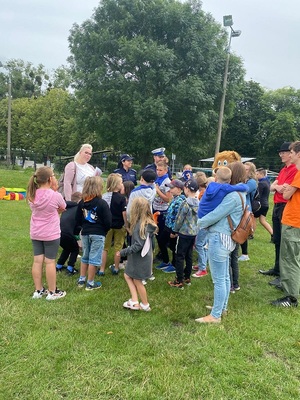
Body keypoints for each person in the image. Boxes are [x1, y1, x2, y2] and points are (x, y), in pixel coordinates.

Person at [196, 162, 246, 323]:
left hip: (220, 238)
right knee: (224, 277)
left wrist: (199, 222)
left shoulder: (232, 196)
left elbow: (216, 214)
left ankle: (215, 316)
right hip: (227, 238)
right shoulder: (240, 193)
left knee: (219, 279)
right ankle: (221, 307)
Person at [259, 142, 297, 285]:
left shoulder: (294, 169)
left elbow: (284, 190)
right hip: (277, 205)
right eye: (280, 152)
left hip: (285, 206)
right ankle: (277, 268)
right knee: (277, 238)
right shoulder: (283, 170)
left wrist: (277, 186)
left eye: (284, 152)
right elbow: (273, 187)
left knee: (284, 241)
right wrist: (276, 186)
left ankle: (283, 274)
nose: (281, 155)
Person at [28, 166, 67, 300]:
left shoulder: (32, 195)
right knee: (50, 262)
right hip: (51, 233)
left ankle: (38, 290)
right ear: (50, 179)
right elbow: (63, 207)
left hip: (36, 232)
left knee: (37, 261)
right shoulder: (55, 195)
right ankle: (52, 292)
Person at [271, 141, 300, 307]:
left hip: (294, 221)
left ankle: (291, 297)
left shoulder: (298, 173)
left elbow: (287, 194)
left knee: (290, 259)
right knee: (293, 257)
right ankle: (291, 288)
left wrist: (285, 188)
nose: (289, 154)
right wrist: (285, 188)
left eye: (291, 152)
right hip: (293, 220)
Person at [116, 197, 158, 311]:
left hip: (141, 257)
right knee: (128, 275)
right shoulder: (148, 223)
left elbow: (138, 245)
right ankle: (134, 301)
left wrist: (123, 252)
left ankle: (145, 305)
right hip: (142, 256)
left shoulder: (140, 226)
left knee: (137, 280)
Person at [75, 176, 112, 290]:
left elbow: (77, 219)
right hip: (98, 233)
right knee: (94, 258)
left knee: (85, 256)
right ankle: (90, 283)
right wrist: (104, 230)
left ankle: (81, 279)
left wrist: (84, 226)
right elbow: (108, 221)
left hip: (85, 232)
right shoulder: (102, 203)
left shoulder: (82, 202)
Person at [168, 179, 199, 289]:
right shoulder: (198, 203)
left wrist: (174, 231)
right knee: (189, 255)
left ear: (186, 189)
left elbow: (179, 219)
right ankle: (187, 276)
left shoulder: (185, 203)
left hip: (184, 233)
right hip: (193, 233)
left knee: (179, 256)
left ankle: (179, 279)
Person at [100, 173, 128, 275]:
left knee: (105, 248)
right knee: (118, 247)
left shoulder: (104, 196)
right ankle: (116, 268)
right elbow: (124, 213)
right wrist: (127, 225)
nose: (122, 184)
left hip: (107, 225)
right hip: (119, 225)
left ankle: (102, 269)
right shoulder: (121, 198)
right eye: (121, 182)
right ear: (117, 184)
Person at [155, 179, 185, 273]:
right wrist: (163, 213)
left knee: (173, 246)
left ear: (180, 189)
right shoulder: (174, 198)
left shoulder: (180, 200)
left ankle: (174, 265)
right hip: (167, 225)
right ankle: (165, 261)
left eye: (172, 188)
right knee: (161, 241)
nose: (170, 189)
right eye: (170, 187)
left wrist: (175, 231)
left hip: (173, 228)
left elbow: (178, 217)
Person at [56, 191, 82, 275]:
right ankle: (70, 268)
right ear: (79, 201)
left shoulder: (66, 207)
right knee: (75, 249)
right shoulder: (78, 209)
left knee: (67, 248)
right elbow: (77, 225)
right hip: (68, 233)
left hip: (58, 232)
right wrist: (77, 235)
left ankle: (59, 265)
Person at [153, 160, 172, 264]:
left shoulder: (167, 182)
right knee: (156, 233)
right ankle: (161, 253)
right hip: (155, 208)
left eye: (160, 170)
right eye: (157, 169)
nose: (158, 172)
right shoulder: (157, 179)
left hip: (162, 210)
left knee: (161, 236)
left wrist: (158, 191)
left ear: (165, 170)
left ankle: (164, 257)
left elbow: (168, 199)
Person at [238, 162, 258, 261]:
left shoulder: (252, 182)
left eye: (246, 169)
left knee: (243, 230)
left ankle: (245, 254)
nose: (244, 171)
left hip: (247, 209)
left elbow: (244, 190)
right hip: (241, 207)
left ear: (251, 171)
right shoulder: (243, 180)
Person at [192, 172, 209, 277]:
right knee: (203, 244)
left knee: (199, 244)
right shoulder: (205, 192)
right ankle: (202, 263)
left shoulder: (203, 195)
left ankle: (203, 268)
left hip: (203, 222)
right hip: (205, 222)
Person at [255, 168, 273, 236]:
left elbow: (258, 194)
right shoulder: (267, 182)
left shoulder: (261, 183)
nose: (255, 176)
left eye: (257, 174)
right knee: (262, 221)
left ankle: (251, 234)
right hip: (266, 204)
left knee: (253, 218)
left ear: (261, 174)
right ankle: (273, 234)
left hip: (260, 204)